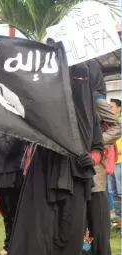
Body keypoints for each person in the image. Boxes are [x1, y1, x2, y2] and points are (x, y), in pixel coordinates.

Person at [9, 61, 104, 255]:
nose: (79, 83)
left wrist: (92, 159)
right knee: (40, 232)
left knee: (71, 234)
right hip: (45, 174)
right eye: (75, 78)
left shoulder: (91, 114)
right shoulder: (48, 106)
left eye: (83, 79)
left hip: (78, 178)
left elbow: (98, 147)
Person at [84, 59, 120, 255]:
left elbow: (117, 126)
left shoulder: (96, 99)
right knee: (83, 222)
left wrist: (96, 144)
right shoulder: (74, 99)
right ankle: (86, 249)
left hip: (95, 172)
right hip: (78, 171)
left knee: (96, 218)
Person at [0, 134, 26, 255]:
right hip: (0, 177)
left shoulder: (15, 129)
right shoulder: (0, 130)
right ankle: (8, 246)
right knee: (5, 216)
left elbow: (7, 148)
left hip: (13, 178)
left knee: (13, 216)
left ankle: (13, 245)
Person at [109, 98, 121, 224]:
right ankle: (119, 219)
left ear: (119, 108)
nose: (110, 109)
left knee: (120, 191)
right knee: (113, 192)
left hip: (120, 162)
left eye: (112, 106)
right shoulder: (109, 123)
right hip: (111, 162)